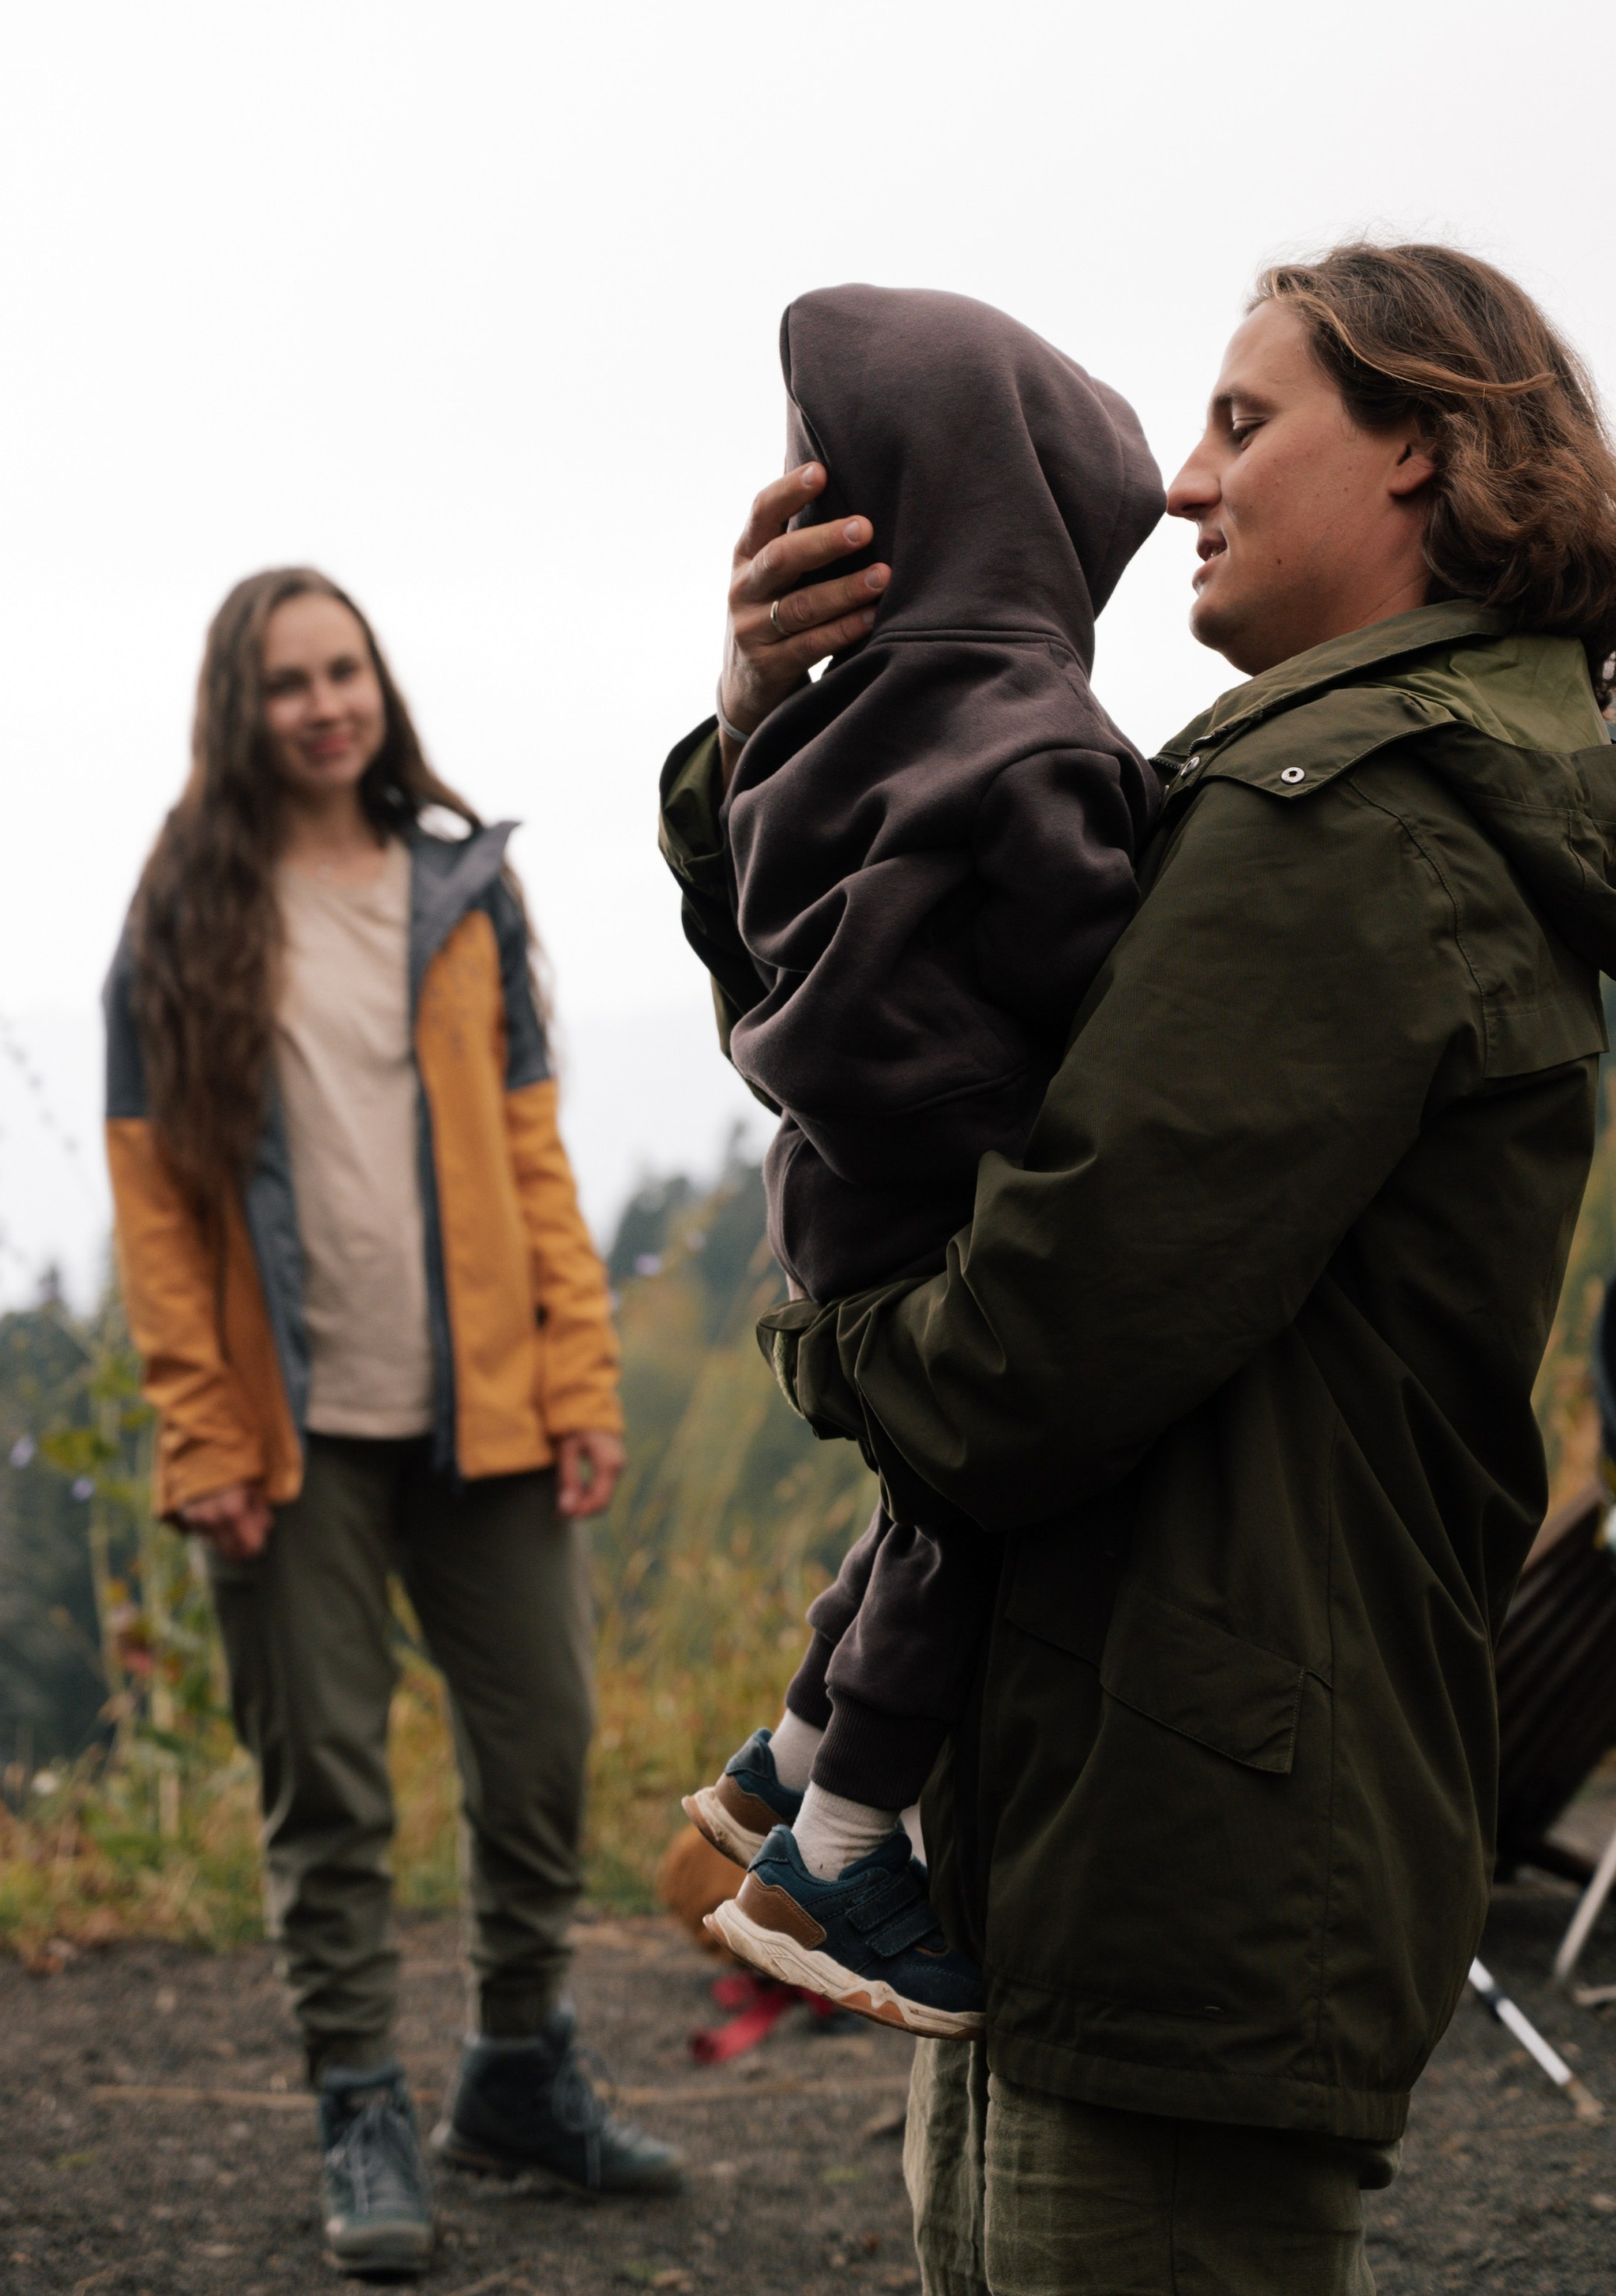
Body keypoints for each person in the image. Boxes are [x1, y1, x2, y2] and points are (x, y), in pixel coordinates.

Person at [659, 245, 1616, 2294]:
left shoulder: (1356, 827)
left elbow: (1023, 1350)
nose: (1185, 483)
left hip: (1192, 1810)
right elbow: (919, 1024)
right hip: (1122, 1775)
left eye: (1243, 421)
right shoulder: (1291, 788)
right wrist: (764, 727)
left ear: (1425, 452)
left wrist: (830, 1330)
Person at [105, 566, 682, 2283]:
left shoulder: (461, 895)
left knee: (544, 1752)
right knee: (328, 1790)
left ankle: (515, 2071)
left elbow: (531, 1152)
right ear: (241, 707)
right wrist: (197, 1433)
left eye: (344, 668)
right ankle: (360, 2099)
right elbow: (151, 1206)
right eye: (286, 680)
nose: (323, 703)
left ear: (380, 685)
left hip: (483, 1412)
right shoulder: (182, 916)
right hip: (289, 1432)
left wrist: (577, 1376)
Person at [670, 284, 1163, 2041]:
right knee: (966, 1508)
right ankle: (842, 1845)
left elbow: (758, 896)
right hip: (957, 1190)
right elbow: (1097, 974)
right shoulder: (1035, 738)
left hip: (838, 1186)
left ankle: (781, 1755)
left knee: (910, 1500)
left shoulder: (820, 718)